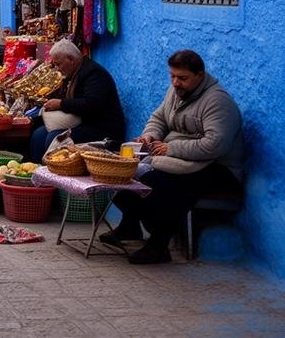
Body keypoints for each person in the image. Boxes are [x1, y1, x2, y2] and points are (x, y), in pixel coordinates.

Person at [102, 50, 244, 265]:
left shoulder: (218, 102)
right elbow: (159, 118)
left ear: (200, 75)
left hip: (219, 168)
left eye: (182, 78)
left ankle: (159, 245)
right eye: (173, 76)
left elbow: (215, 145)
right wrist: (150, 136)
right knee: (125, 173)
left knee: (159, 184)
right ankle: (129, 227)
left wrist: (171, 148)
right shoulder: (176, 91)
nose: (176, 82)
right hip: (182, 158)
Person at [30, 40, 126, 162]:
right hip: (82, 124)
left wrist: (61, 104)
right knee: (39, 134)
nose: (57, 69)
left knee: (55, 138)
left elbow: (91, 104)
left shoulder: (94, 73)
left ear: (71, 59)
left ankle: (54, 175)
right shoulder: (73, 74)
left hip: (102, 130)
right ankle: (35, 172)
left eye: (58, 64)